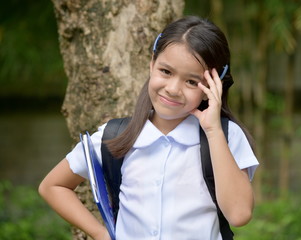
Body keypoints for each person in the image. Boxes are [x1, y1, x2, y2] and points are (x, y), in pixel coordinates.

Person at [39, 15, 259, 240]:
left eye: (192, 82)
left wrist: (213, 131)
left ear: (212, 86)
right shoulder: (115, 136)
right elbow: (53, 186)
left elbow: (239, 214)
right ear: (152, 63)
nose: (173, 89)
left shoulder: (225, 136)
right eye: (166, 71)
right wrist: (101, 234)